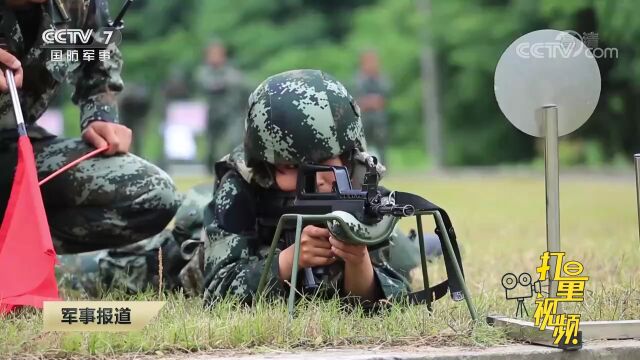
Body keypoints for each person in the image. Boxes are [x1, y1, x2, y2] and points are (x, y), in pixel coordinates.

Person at [202, 69, 410, 306]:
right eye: (291, 166)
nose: (314, 178)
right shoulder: (241, 189)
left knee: (408, 252)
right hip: (211, 231)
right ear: (266, 166)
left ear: (346, 157)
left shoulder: (359, 186)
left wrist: (358, 260)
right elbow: (216, 294)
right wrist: (288, 261)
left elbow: (384, 298)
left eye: (323, 162)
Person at [0, 1, 179, 256]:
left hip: (14, 153)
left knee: (153, 194)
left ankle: (20, 256)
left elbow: (98, 52)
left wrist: (100, 113)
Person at [194, 40, 250, 174]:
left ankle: (233, 167)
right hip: (212, 114)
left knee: (234, 140)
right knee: (211, 146)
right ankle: (209, 168)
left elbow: (243, 85)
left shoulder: (231, 71)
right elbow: (207, 84)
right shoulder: (203, 71)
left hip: (231, 114)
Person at [353, 50, 391, 165]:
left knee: (381, 143)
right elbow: (356, 99)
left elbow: (385, 98)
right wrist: (371, 102)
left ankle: (384, 166)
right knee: (361, 144)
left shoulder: (382, 79)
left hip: (378, 118)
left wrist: (370, 101)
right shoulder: (358, 79)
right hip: (363, 117)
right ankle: (361, 166)